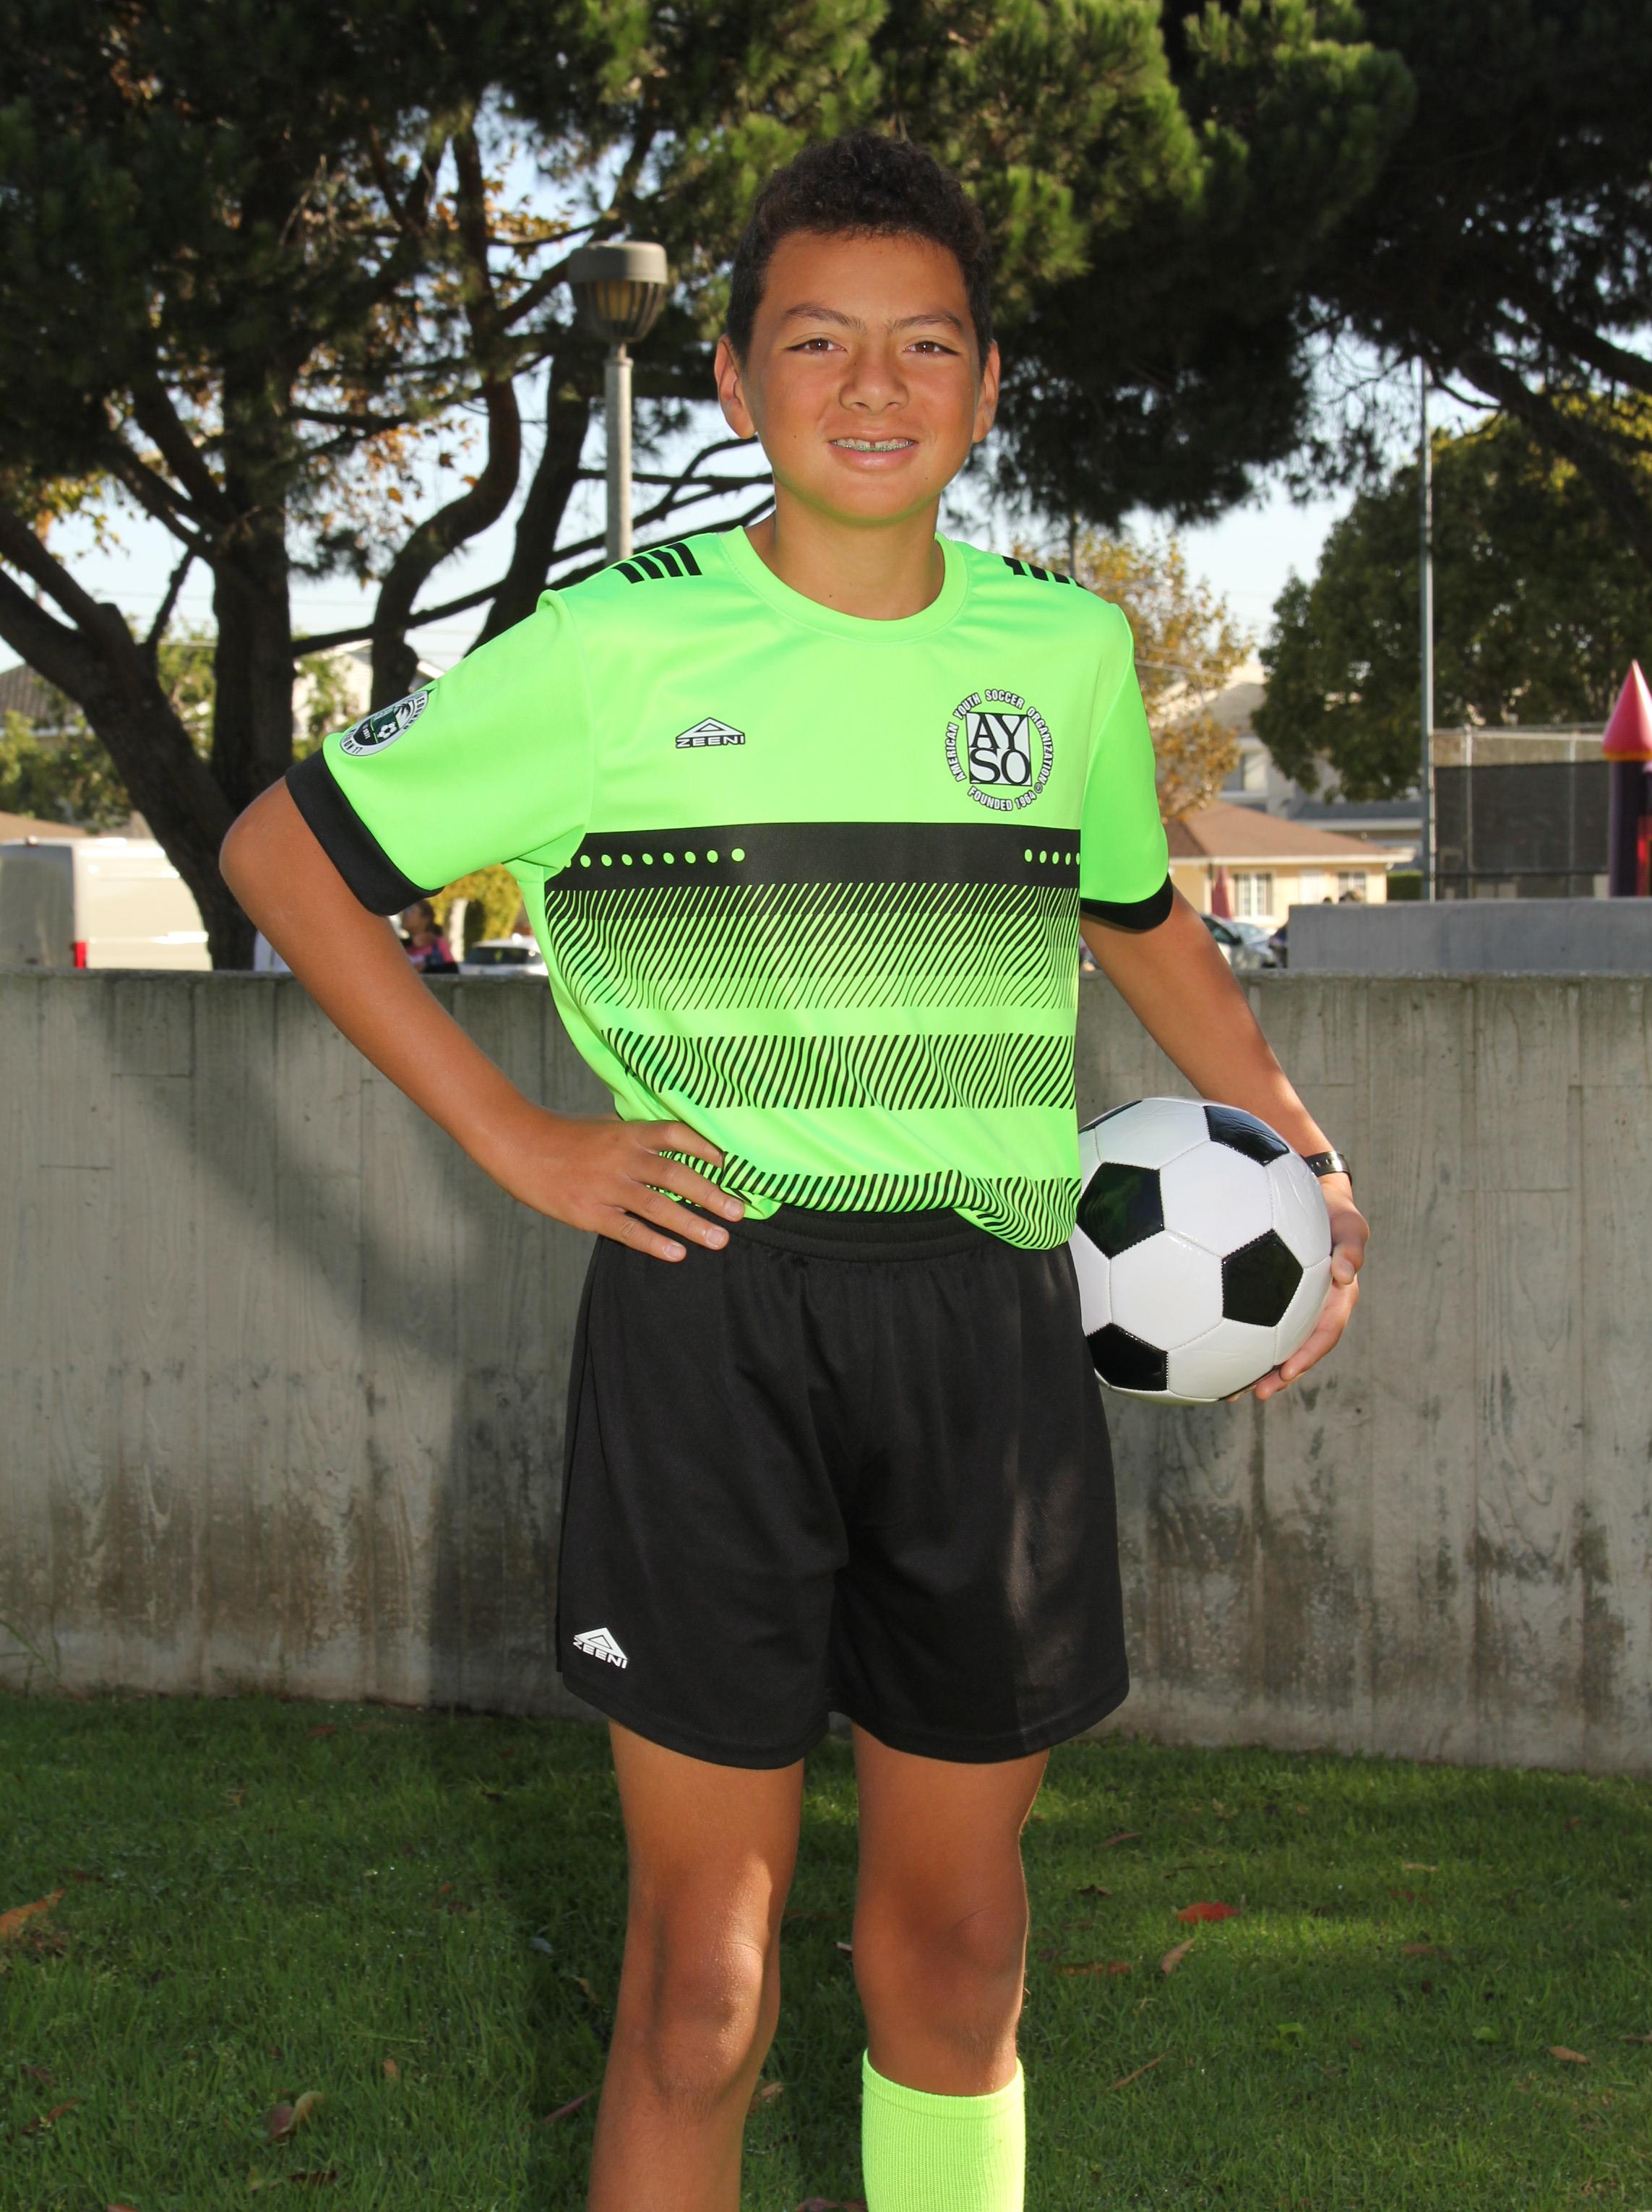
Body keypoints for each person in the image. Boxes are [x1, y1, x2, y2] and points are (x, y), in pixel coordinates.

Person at [220, 133, 1368, 2212]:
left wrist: (1302, 1147)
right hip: (715, 1315)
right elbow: (283, 855)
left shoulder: (1063, 654)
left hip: (993, 1324)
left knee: (960, 1948)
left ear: (987, 385)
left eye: (923, 344)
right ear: (736, 381)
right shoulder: (612, 650)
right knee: (702, 1988)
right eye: (818, 341)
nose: (872, 385)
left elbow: (1136, 916)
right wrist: (514, 1133)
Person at [398, 898, 457, 971]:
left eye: (410, 910)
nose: (404, 914)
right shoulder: (401, 944)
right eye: (404, 910)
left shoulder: (437, 944)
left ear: (425, 918)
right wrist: (411, 942)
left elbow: (452, 971)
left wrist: (426, 968)